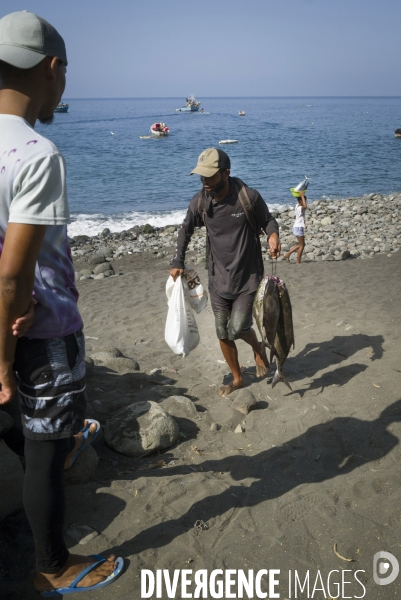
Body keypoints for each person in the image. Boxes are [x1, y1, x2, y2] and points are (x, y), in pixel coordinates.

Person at [0, 11, 123, 595]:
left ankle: (62, 434)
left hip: (4, 321)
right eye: (67, 71)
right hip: (41, 327)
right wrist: (4, 355)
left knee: (25, 422)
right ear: (53, 69)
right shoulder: (37, 153)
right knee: (45, 452)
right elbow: (14, 273)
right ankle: (54, 565)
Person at [170, 147, 281, 396]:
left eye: (210, 176)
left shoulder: (247, 198)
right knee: (222, 331)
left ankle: (258, 348)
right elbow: (185, 229)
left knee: (239, 327)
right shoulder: (200, 202)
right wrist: (177, 260)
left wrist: (273, 236)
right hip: (218, 277)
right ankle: (238, 377)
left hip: (248, 277)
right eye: (202, 176)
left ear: (226, 173)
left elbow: (268, 220)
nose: (205, 181)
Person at [284, 190, 307, 264]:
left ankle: (288, 254)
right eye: (304, 201)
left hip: (297, 227)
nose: (305, 202)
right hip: (298, 227)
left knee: (301, 244)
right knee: (302, 245)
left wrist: (301, 196)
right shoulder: (300, 208)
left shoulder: (297, 206)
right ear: (300, 201)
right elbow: (305, 206)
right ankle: (297, 261)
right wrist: (302, 195)